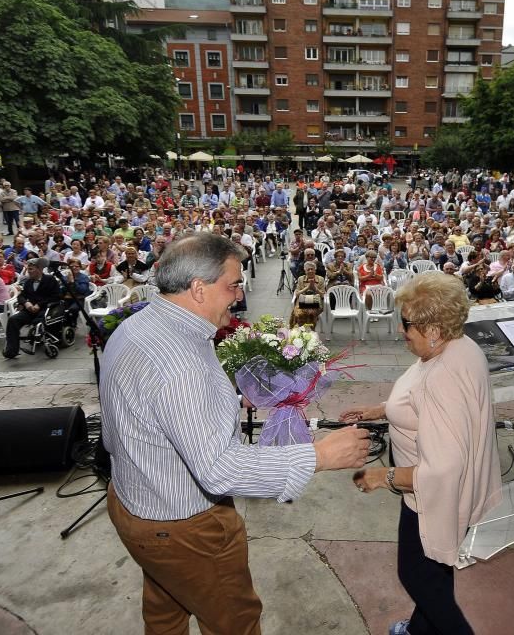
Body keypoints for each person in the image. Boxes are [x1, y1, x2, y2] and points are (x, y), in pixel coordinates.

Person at [99, 232, 370, 634]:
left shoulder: (137, 326)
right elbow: (218, 469)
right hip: (183, 526)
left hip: (134, 502)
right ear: (197, 289)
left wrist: (223, 398)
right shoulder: (182, 364)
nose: (240, 295)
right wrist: (320, 455)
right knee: (234, 621)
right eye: (234, 284)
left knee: (165, 611)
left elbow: (129, 421)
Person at [340, 272, 502, 635]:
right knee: (434, 569)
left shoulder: (441, 375)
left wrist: (383, 477)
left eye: (407, 323)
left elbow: (443, 468)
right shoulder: (458, 346)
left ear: (431, 328)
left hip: (430, 496)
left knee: (416, 574)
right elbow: (418, 399)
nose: (402, 331)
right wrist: (383, 408)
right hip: (439, 492)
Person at [2, 258, 61, 359]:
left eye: (31, 269)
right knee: (13, 320)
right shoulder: (28, 282)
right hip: (30, 309)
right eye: (28, 269)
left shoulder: (49, 280)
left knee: (37, 322)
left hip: (46, 309)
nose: (28, 271)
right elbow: (21, 296)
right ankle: (12, 350)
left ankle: (37, 341)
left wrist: (39, 304)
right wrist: (26, 303)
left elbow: (56, 296)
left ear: (39, 269)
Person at [290, 261, 326, 329]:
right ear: (305, 271)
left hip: (315, 302)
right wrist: (307, 288)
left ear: (315, 270)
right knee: (299, 314)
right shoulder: (301, 279)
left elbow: (322, 295)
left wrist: (315, 289)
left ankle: (311, 332)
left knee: (311, 313)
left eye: (312, 269)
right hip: (302, 302)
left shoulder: (320, 279)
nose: (310, 271)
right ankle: (300, 330)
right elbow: (297, 294)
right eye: (308, 269)